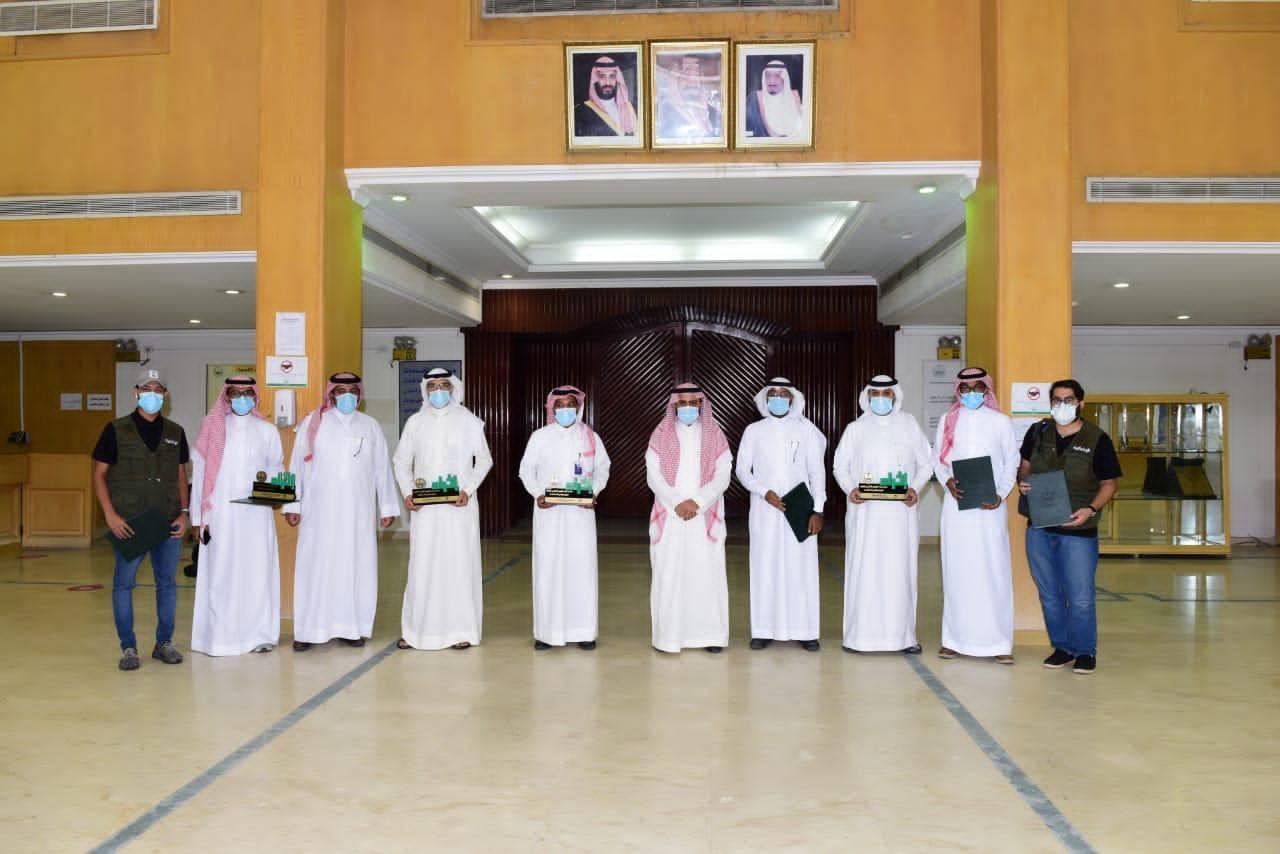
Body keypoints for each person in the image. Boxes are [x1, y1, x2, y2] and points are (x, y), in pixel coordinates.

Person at [284, 372, 400, 651]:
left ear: (359, 395)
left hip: (358, 513)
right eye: (341, 390)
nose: (347, 395)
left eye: (352, 390)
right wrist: (292, 503)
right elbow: (296, 465)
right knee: (316, 566)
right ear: (331, 394)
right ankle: (308, 630)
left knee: (355, 566)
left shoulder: (370, 425)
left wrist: (387, 506)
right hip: (318, 512)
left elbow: (382, 468)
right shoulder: (314, 422)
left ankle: (351, 628)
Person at [1017, 379, 1120, 676]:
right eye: (1057, 400)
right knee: (1049, 593)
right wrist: (1022, 482)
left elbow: (1109, 483)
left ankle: (1085, 651)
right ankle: (1063, 647)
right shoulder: (1038, 432)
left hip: (1078, 532)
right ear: (1050, 403)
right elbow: (1024, 467)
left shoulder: (1097, 438)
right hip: (1040, 527)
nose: (1062, 405)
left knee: (1080, 597)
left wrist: (1091, 509)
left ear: (1081, 403)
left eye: (1069, 400)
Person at [91, 368, 190, 671]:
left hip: (168, 520)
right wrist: (110, 515)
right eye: (147, 389)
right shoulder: (115, 429)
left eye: (158, 390)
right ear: (136, 393)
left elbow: (181, 474)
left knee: (167, 584)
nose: (152, 395)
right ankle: (128, 647)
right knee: (124, 584)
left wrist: (185, 513)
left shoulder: (175, 432)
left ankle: (164, 643)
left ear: (165, 395)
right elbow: (99, 474)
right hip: (130, 521)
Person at [393, 368, 493, 651]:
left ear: (453, 389)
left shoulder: (468, 420)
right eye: (433, 386)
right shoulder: (415, 422)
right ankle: (416, 632)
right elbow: (401, 461)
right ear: (425, 390)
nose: (438, 391)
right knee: (422, 566)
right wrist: (408, 492)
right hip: (426, 510)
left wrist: (468, 489)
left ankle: (462, 631)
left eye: (444, 385)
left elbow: (484, 460)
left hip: (459, 508)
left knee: (459, 565)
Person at [833, 375, 933, 655]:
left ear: (895, 396)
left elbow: (926, 464)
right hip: (865, 514)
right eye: (875, 394)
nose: (880, 399)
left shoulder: (909, 424)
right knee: (864, 570)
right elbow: (840, 466)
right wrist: (851, 489)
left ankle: (903, 638)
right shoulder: (856, 429)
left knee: (900, 572)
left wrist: (915, 488)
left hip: (900, 515)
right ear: (867, 397)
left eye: (886, 393)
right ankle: (859, 638)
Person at [188, 376, 283, 656]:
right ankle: (220, 638)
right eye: (236, 393)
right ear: (226, 396)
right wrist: (198, 519)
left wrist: (277, 494)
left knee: (258, 573)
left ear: (255, 396)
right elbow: (201, 474)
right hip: (220, 515)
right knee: (222, 573)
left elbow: (277, 468)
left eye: (247, 393)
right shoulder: (212, 427)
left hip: (257, 516)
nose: (242, 398)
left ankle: (259, 635)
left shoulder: (267, 431)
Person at [932, 366, 1020, 664]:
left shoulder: (1000, 422)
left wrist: (1001, 493)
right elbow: (938, 460)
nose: (971, 393)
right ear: (958, 391)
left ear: (986, 389)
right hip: (956, 507)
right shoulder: (947, 420)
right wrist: (947, 481)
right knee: (957, 570)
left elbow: (1011, 462)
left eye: (977, 387)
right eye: (965, 388)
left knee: (993, 570)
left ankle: (999, 642)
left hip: (989, 508)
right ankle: (953, 640)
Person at [518, 385, 612, 651]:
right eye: (559, 406)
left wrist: (594, 492)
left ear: (578, 407)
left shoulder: (591, 437)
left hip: (580, 516)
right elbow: (526, 471)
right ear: (552, 408)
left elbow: (603, 469)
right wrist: (538, 494)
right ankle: (546, 633)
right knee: (548, 568)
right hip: (549, 514)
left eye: (570, 404)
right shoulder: (540, 437)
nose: (565, 410)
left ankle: (584, 631)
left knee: (581, 569)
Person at [735, 377, 827, 652]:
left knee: (801, 568)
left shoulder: (807, 430)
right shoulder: (754, 431)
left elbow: (817, 472)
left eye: (783, 393)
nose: (777, 398)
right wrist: (764, 491)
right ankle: (764, 629)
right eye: (772, 394)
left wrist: (818, 509)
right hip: (765, 508)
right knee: (765, 566)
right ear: (765, 399)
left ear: (792, 399)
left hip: (801, 509)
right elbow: (742, 470)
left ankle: (805, 630)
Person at [645, 382, 733, 654]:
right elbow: (653, 476)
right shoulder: (660, 434)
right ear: (674, 406)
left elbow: (723, 474)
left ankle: (710, 635)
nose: (687, 408)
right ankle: (669, 638)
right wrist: (677, 503)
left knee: (706, 574)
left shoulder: (715, 434)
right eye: (681, 403)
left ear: (700, 404)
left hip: (704, 514)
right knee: (670, 575)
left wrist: (698, 502)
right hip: (671, 515)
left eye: (692, 403)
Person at [656, 54, 721, 141]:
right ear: (674, 79)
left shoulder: (714, 114)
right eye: (686, 75)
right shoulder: (661, 115)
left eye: (697, 75)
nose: (692, 82)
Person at [574, 55, 638, 137]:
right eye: (602, 76)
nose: (607, 83)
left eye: (612, 76)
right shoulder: (580, 112)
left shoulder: (630, 108)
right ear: (595, 79)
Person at [744, 59, 805, 138]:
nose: (772, 81)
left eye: (777, 76)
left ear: (784, 79)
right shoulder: (754, 99)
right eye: (768, 76)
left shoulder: (795, 99)